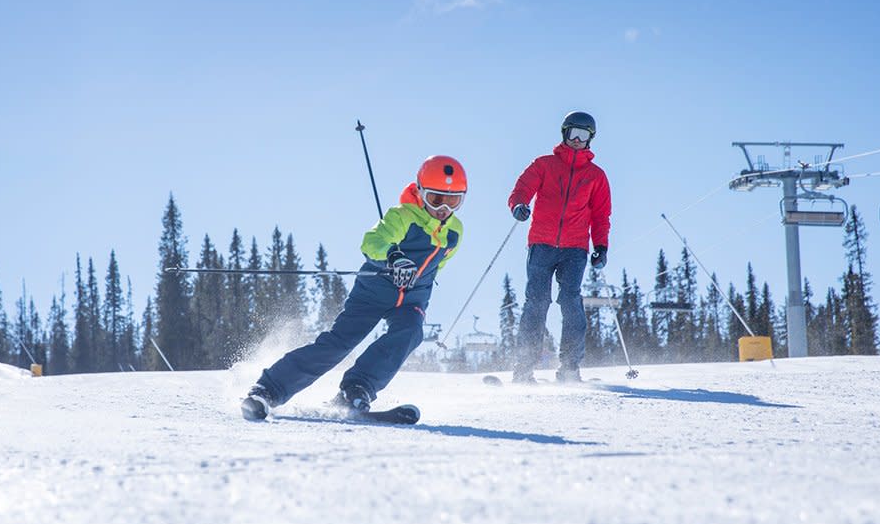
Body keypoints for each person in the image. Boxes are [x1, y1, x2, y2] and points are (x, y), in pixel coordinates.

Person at [242, 155, 467, 420]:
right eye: (435, 199)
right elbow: (372, 242)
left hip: (411, 298)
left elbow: (439, 265)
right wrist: (393, 256)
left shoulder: (455, 232)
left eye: (453, 201)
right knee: (339, 344)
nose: (443, 208)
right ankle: (268, 389)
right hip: (374, 291)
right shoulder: (403, 217)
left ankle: (357, 388)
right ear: (420, 192)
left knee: (410, 331)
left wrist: (419, 283)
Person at [507, 111, 611, 383]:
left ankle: (569, 368)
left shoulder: (596, 176)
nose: (578, 140)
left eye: (584, 135)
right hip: (542, 243)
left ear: (591, 139)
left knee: (570, 301)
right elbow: (522, 188)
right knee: (537, 303)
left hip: (575, 249)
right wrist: (519, 205)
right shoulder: (545, 165)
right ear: (564, 134)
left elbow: (601, 215)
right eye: (573, 134)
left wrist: (601, 245)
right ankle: (523, 369)